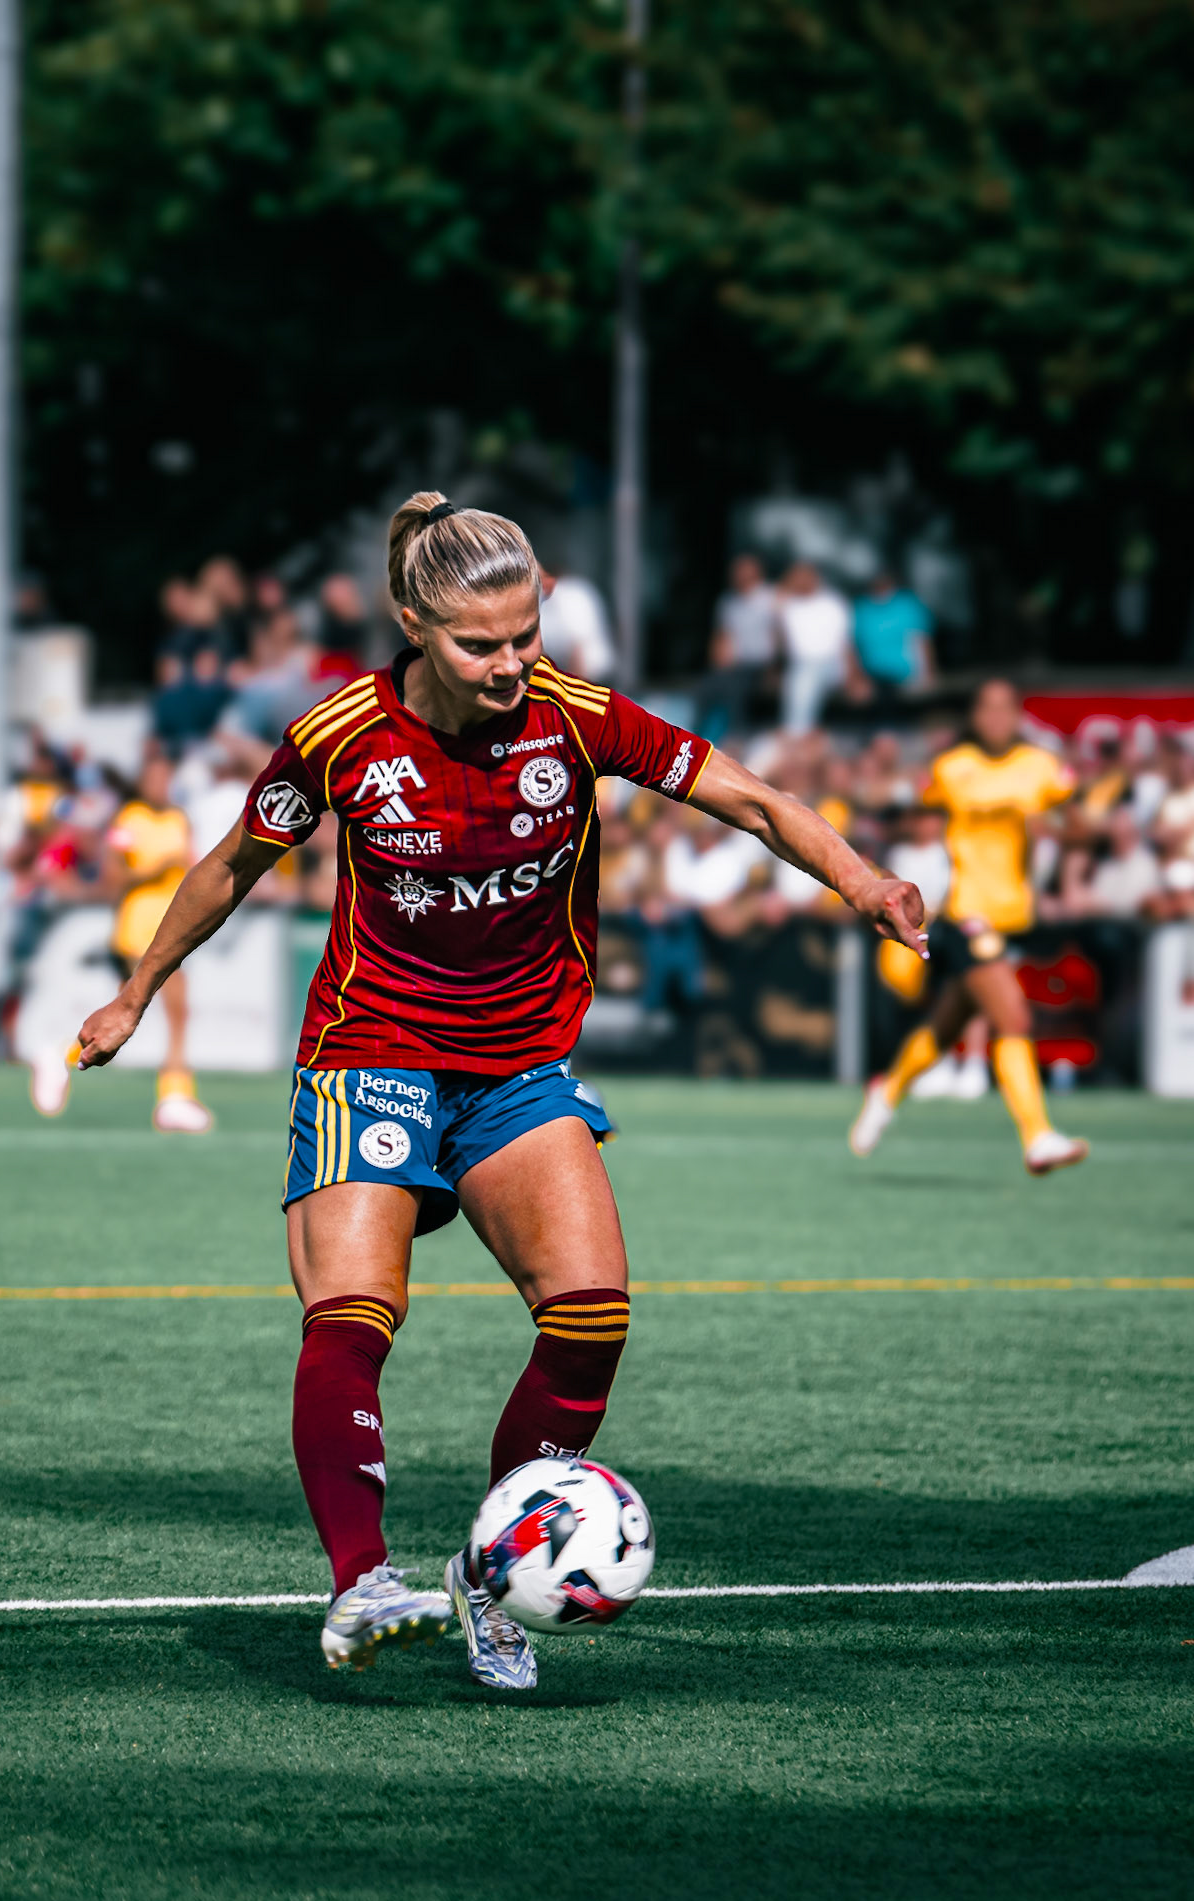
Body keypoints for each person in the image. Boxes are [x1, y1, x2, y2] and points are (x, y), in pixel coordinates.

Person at [73, 491, 924, 1690]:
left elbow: (746, 795)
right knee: (355, 1313)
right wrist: (135, 992)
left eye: (527, 634)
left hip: (517, 1070)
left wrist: (860, 877)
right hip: (368, 1051)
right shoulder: (338, 735)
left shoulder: (575, 722)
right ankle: (361, 1583)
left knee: (590, 1316)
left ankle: (489, 1574)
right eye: (482, 643)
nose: (512, 663)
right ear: (411, 620)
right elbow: (229, 865)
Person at [849, 678, 1088, 1175]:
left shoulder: (1040, 768)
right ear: (976, 716)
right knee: (1014, 1021)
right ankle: (1037, 1135)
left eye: (1007, 708)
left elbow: (1079, 822)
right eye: (988, 708)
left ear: (1018, 715)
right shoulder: (953, 769)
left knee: (948, 1024)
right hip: (969, 915)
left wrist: (1059, 828)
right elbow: (903, 801)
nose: (997, 718)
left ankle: (886, 1092)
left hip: (1016, 916)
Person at [35, 755, 214, 1132]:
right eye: (155, 776)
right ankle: (174, 1095)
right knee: (172, 1008)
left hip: (171, 927)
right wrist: (155, 869)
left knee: (126, 1010)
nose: (161, 785)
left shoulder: (180, 820)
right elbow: (114, 877)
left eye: (167, 776)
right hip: (138, 926)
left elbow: (193, 867)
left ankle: (64, 1055)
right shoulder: (129, 820)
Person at [702, 553, 778, 740]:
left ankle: (736, 738)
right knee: (706, 687)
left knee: (734, 687)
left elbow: (780, 635)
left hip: (764, 664)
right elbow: (722, 636)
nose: (739, 575)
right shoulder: (728, 603)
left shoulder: (771, 598)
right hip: (737, 665)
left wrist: (777, 667)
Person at [777, 562, 855, 734]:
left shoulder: (832, 603)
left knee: (805, 677)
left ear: (814, 578)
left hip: (832, 665)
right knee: (802, 675)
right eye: (795, 578)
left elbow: (845, 643)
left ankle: (796, 734)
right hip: (799, 667)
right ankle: (798, 735)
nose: (798, 581)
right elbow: (781, 644)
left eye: (803, 577)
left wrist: (853, 675)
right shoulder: (789, 606)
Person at [852, 570, 934, 702]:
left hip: (905, 673)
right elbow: (852, 646)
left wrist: (926, 674)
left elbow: (922, 640)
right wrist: (855, 678)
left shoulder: (908, 604)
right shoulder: (861, 608)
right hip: (871, 675)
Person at [537, 560, 617, 683]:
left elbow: (578, 647)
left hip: (590, 677)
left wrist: (573, 689)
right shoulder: (551, 598)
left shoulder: (566, 594)